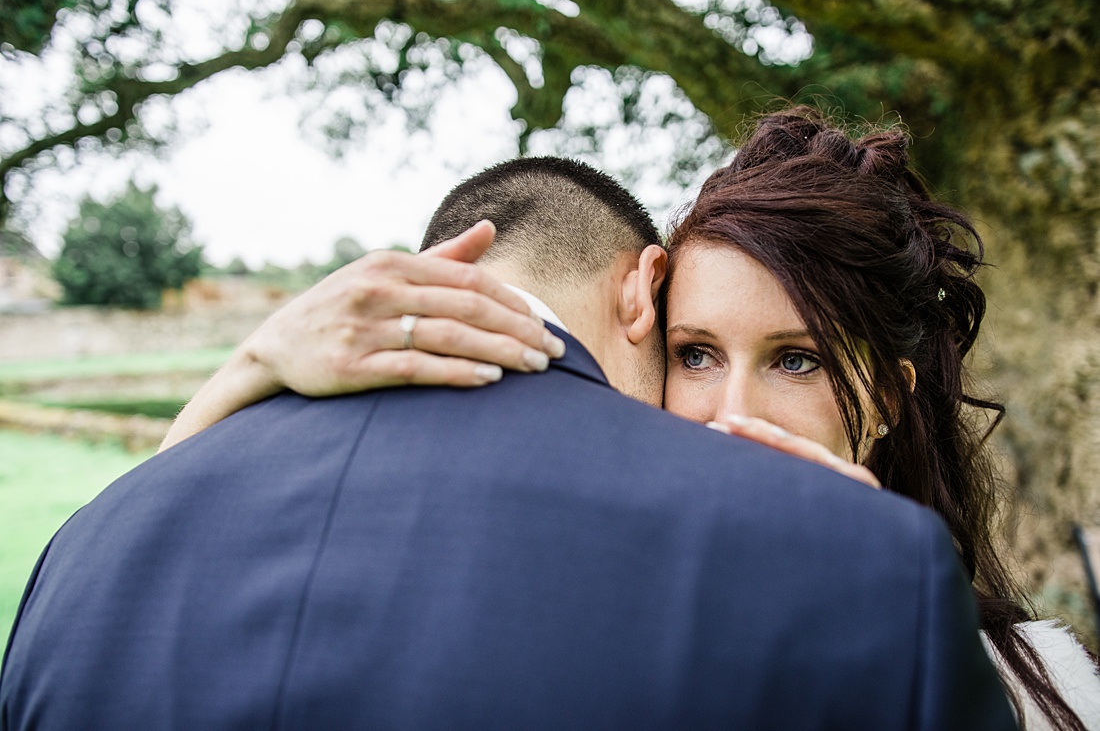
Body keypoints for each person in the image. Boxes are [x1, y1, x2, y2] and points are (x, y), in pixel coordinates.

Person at [154, 110, 1100, 729]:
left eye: (795, 359)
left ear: (888, 399)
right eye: (695, 355)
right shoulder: (587, 591)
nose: (730, 415)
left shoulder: (1032, 681)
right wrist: (250, 363)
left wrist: (872, 615)